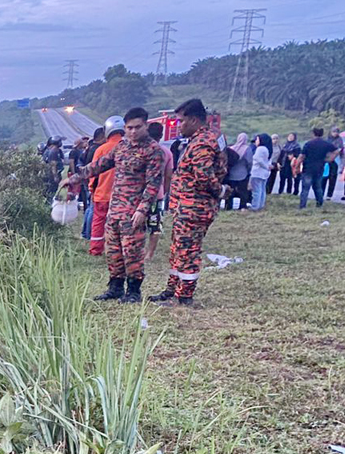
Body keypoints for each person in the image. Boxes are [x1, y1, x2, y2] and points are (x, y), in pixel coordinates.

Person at [62, 107, 166, 304]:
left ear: (146, 126)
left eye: (137, 127)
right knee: (113, 251)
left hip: (134, 211)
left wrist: (143, 210)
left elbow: (153, 184)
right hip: (115, 209)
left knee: (132, 252)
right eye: (129, 128)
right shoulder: (121, 147)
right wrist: (74, 178)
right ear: (124, 129)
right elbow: (98, 165)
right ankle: (115, 287)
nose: (133, 131)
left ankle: (133, 291)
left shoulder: (153, 151)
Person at [150, 99, 227, 305]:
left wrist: (221, 191)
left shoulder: (202, 142)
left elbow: (204, 176)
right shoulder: (207, 137)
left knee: (187, 252)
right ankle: (172, 289)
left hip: (194, 207)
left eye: (181, 121)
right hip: (186, 206)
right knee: (178, 249)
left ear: (194, 120)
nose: (178, 126)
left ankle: (183, 296)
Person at [86, 117, 125, 256]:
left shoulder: (102, 149)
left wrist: (91, 189)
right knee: (122, 225)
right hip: (123, 198)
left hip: (102, 194)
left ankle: (96, 249)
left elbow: (93, 172)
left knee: (98, 222)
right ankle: (119, 250)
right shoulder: (128, 148)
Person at [146, 120, 174, 261]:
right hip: (158, 194)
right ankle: (149, 254)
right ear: (161, 135)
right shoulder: (167, 152)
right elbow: (168, 175)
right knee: (155, 225)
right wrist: (165, 190)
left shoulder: (142, 150)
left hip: (138, 195)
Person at [299, 126, 337, 209]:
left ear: (313, 133)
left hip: (308, 168)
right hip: (320, 167)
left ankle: (302, 206)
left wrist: (297, 166)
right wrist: (330, 159)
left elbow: (302, 156)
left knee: (305, 189)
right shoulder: (326, 144)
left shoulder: (308, 143)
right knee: (318, 188)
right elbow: (336, 150)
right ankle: (319, 204)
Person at [81, 126, 105, 239]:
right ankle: (89, 233)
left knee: (89, 208)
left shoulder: (90, 147)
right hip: (93, 181)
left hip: (88, 180)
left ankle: (85, 232)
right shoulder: (98, 149)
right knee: (92, 208)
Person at [223, 133, 251, 210]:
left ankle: (228, 206)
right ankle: (242, 207)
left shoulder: (232, 148)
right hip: (242, 173)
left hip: (231, 174)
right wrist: (249, 170)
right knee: (243, 192)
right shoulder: (247, 149)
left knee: (230, 191)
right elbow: (249, 162)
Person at [249, 133, 272, 210]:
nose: (256, 141)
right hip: (264, 173)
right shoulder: (268, 149)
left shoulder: (260, 148)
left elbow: (257, 159)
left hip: (257, 172)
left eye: (257, 139)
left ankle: (255, 206)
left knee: (256, 191)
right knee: (262, 190)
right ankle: (260, 205)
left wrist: (265, 166)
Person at [324, 126, 344, 199]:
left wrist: (334, 155)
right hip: (326, 160)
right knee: (324, 177)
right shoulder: (327, 139)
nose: (335, 133)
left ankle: (329, 195)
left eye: (336, 132)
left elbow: (340, 149)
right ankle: (321, 192)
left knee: (332, 177)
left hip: (335, 160)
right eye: (333, 132)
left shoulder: (339, 140)